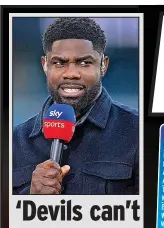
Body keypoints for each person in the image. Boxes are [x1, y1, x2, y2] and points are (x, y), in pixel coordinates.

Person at [13, 17, 138, 195]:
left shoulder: (137, 133)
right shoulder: (14, 142)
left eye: (84, 63)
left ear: (103, 65)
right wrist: (30, 198)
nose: (71, 73)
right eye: (59, 63)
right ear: (45, 66)